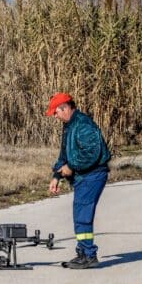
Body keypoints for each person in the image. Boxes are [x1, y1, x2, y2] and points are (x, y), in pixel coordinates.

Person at [46, 92, 111, 269]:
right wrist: (57, 176)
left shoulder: (82, 124)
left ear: (65, 108)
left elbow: (92, 153)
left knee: (82, 215)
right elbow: (64, 154)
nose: (55, 116)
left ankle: (88, 255)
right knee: (80, 214)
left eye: (56, 112)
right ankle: (83, 252)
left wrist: (72, 167)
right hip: (84, 176)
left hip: (93, 175)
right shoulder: (69, 125)